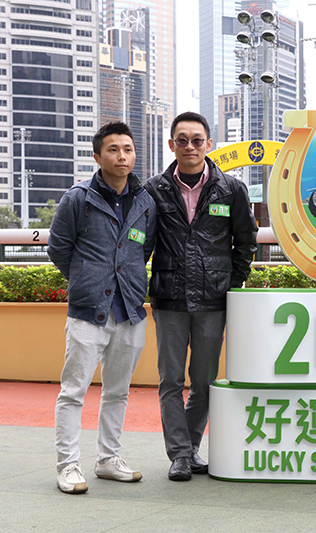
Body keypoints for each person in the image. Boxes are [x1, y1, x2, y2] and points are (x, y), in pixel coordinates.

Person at [144, 111, 258, 481]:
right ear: (171, 144)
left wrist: (232, 282)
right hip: (169, 299)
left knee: (204, 382)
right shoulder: (153, 190)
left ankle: (190, 448)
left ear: (209, 144)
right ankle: (179, 455)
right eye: (182, 140)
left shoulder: (232, 189)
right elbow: (141, 243)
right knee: (170, 381)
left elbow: (246, 240)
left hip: (214, 300)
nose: (190, 147)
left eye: (197, 140)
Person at [49, 122, 156, 494]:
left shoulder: (145, 201)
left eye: (127, 149)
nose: (121, 156)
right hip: (87, 311)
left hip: (130, 310)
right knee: (73, 391)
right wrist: (87, 279)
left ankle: (108, 459)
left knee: (118, 391)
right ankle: (67, 465)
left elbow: (143, 249)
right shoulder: (77, 198)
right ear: (97, 156)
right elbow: (59, 249)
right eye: (113, 149)